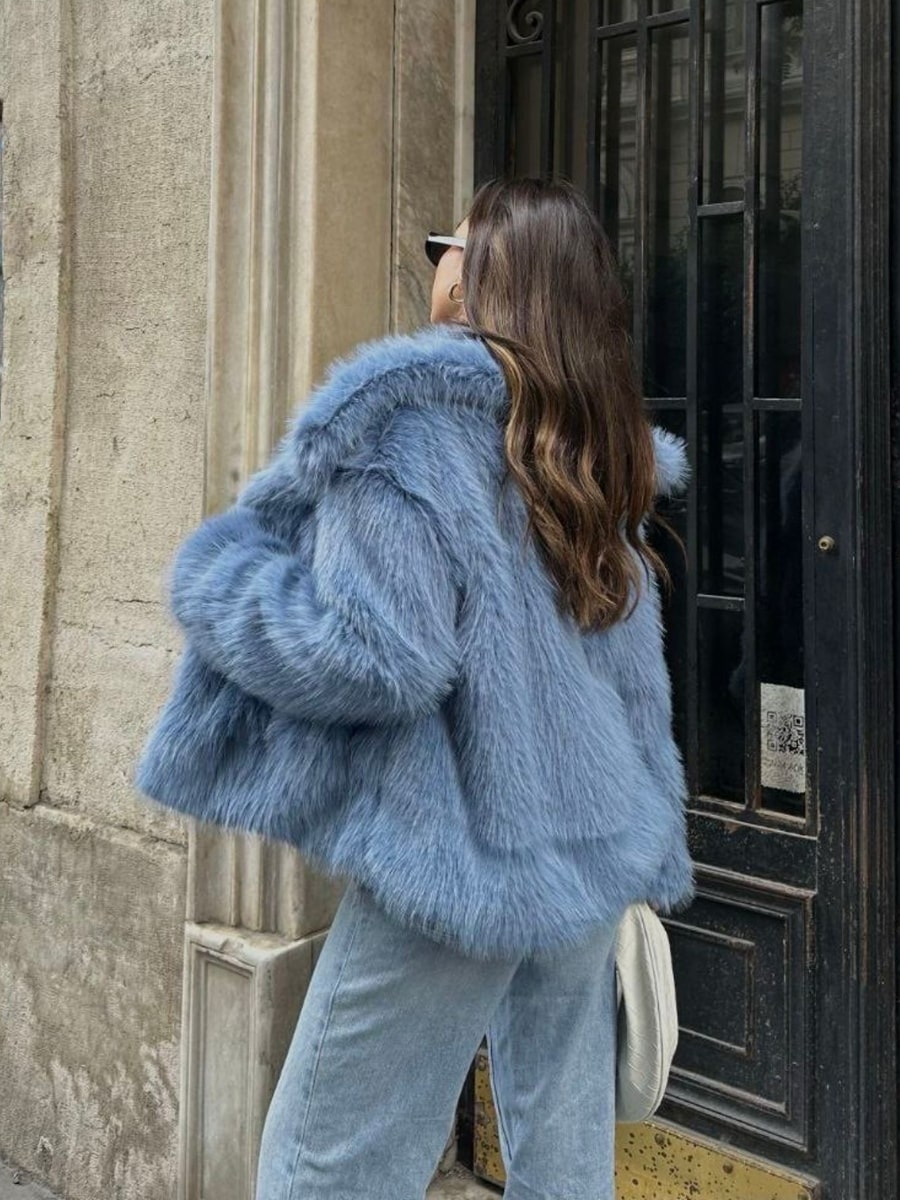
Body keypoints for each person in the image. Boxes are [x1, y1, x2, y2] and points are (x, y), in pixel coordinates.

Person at [134, 176, 694, 1199]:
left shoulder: (409, 426)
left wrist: (219, 580)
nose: (436, 263)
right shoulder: (590, 447)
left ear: (477, 276)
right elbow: (631, 683)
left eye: (450, 243)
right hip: (591, 847)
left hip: (461, 861)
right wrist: (647, 834)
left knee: (323, 1163)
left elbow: (372, 657)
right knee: (565, 1161)